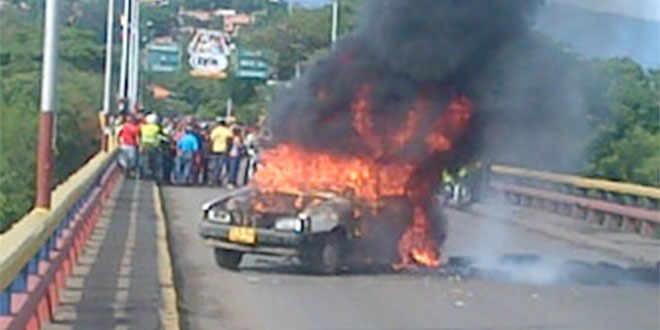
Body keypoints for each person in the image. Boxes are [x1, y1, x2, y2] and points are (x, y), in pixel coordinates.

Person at [139, 113, 165, 180]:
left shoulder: (143, 127)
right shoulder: (157, 128)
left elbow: (139, 135)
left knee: (143, 161)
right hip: (154, 147)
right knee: (157, 162)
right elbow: (163, 135)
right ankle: (156, 176)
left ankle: (142, 175)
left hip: (144, 146)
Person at [208, 118, 233, 186]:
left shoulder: (215, 130)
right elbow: (230, 140)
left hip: (215, 150)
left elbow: (211, 140)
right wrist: (228, 149)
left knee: (214, 166)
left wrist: (210, 149)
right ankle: (217, 180)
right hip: (223, 150)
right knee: (221, 166)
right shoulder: (227, 131)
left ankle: (213, 180)